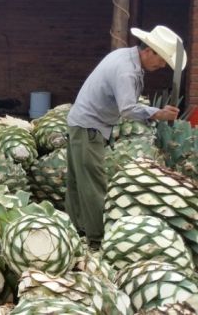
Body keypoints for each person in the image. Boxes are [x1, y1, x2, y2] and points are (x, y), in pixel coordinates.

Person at [66, 25, 185, 246]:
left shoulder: (124, 55)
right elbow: (128, 109)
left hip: (80, 123)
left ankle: (74, 230)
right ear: (149, 50)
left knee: (77, 181)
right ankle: (97, 240)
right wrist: (157, 113)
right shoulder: (127, 70)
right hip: (89, 127)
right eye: (161, 61)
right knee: (93, 184)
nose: (161, 67)